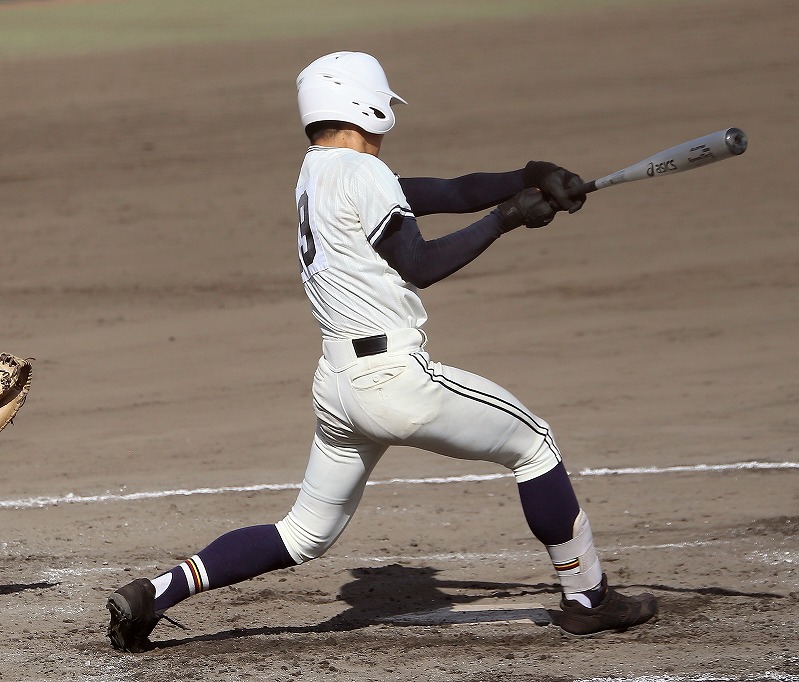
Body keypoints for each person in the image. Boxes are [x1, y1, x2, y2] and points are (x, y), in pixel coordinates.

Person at [105, 51, 657, 653]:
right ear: (363, 106)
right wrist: (505, 220)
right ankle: (588, 599)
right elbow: (420, 264)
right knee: (535, 445)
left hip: (337, 386)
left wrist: (528, 176)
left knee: (303, 533)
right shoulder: (363, 175)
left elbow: (442, 191)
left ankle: (156, 592)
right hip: (395, 383)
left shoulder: (315, 171)